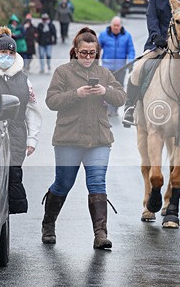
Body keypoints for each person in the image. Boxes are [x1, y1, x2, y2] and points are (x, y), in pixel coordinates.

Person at [41, 27, 126, 249]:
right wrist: (75, 94)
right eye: (84, 53)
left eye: (92, 53)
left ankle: (100, 234)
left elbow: (121, 97)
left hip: (98, 139)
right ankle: (48, 224)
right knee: (63, 184)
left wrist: (105, 91)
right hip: (68, 138)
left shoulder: (105, 74)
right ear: (75, 51)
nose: (88, 57)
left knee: (97, 183)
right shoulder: (63, 72)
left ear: (97, 52)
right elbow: (51, 101)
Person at [0, 34, 41, 214]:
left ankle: (4, 218)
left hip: (16, 135)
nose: (6, 56)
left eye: (10, 53)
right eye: (3, 52)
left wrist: (32, 139)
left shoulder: (23, 80)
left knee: (13, 175)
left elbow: (32, 110)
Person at [99, 16, 135, 116]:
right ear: (111, 26)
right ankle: (106, 107)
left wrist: (131, 63)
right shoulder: (103, 35)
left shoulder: (127, 36)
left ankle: (114, 108)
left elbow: (131, 50)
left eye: (117, 26)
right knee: (107, 88)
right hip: (107, 67)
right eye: (114, 25)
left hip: (121, 67)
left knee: (118, 88)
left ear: (120, 26)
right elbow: (98, 49)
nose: (116, 27)